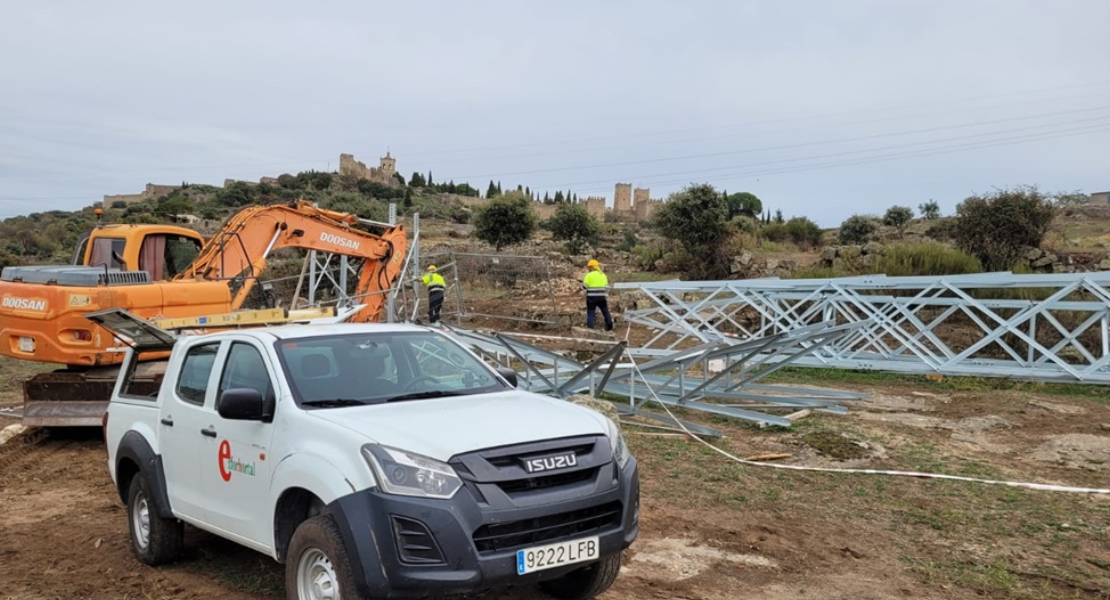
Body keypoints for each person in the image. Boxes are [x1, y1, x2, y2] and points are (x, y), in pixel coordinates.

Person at [581, 259, 613, 331]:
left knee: (591, 312)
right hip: (601, 297)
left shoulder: (588, 275)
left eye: (589, 267)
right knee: (605, 311)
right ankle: (609, 326)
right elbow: (607, 287)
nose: (588, 268)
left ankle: (591, 329)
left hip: (591, 297)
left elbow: (584, 287)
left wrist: (582, 287)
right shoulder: (603, 275)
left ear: (592, 267)